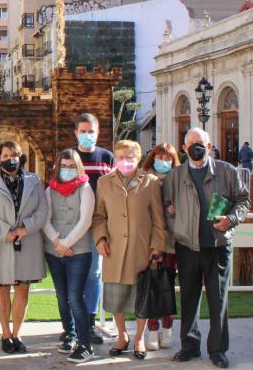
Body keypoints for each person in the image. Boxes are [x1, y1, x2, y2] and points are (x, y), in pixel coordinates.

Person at [164, 128, 249, 369]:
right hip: (187, 246)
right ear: (183, 148)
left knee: (218, 299)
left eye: (200, 143)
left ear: (209, 146)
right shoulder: (175, 175)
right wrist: (177, 226)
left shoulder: (227, 171)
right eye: (191, 144)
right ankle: (189, 346)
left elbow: (243, 200)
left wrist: (230, 220)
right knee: (189, 298)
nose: (196, 148)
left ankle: (218, 349)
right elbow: (166, 206)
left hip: (218, 246)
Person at [91, 140, 166, 361]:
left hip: (141, 250)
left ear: (139, 158)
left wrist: (157, 246)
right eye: (121, 156)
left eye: (130, 156)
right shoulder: (104, 182)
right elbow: (99, 216)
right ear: (114, 158)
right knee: (116, 297)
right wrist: (101, 238)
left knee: (141, 297)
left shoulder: (150, 182)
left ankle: (139, 338)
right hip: (114, 250)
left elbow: (158, 220)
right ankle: (121, 336)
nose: (125, 161)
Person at [0, 140, 48, 354]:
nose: (10, 159)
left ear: (20, 157)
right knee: (3, 288)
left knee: (23, 289)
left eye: (14, 155)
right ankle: (5, 334)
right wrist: (5, 231)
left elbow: (42, 211)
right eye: (5, 155)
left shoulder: (35, 180)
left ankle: (17, 334)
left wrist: (26, 229)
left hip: (27, 241)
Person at [42, 149, 95, 363]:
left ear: (78, 167)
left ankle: (85, 344)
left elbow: (85, 221)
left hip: (78, 252)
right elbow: (45, 219)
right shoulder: (49, 190)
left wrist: (66, 243)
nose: (67, 170)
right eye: (63, 166)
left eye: (72, 166)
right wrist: (57, 242)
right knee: (61, 296)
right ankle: (69, 334)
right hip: (54, 251)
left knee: (75, 297)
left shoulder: (86, 189)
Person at [71, 113, 114, 344]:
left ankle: (89, 322)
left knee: (94, 273)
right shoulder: (69, 156)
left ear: (98, 132)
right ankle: (71, 325)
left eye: (91, 131)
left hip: (98, 224)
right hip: (73, 224)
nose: (87, 135)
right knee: (73, 274)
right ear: (76, 132)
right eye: (83, 131)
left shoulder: (107, 157)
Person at [141, 143, 181, 351]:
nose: (163, 162)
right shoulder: (144, 178)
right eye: (160, 157)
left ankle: (167, 328)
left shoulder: (180, 178)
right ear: (152, 158)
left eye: (168, 158)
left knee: (167, 288)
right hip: (151, 241)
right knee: (152, 286)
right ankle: (153, 329)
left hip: (173, 243)